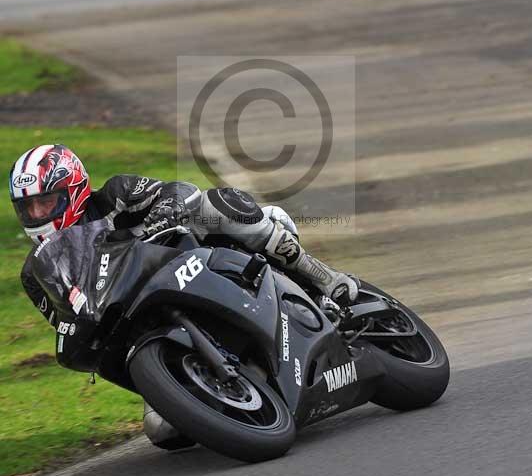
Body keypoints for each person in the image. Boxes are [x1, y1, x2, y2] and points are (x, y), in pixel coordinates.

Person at [10, 144, 359, 448]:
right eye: (29, 208)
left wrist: (165, 210)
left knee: (213, 205)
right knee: (163, 431)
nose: (38, 215)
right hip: (132, 319)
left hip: (185, 260)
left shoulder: (115, 195)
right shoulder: (35, 274)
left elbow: (179, 190)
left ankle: (322, 277)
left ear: (74, 190)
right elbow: (62, 317)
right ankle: (211, 389)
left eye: (47, 203)